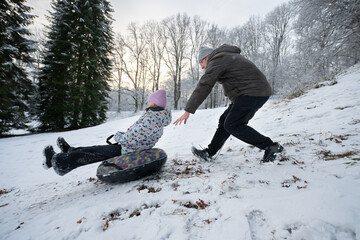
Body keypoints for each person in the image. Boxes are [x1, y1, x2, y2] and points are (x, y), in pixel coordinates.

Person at [174, 44, 283, 163]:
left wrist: (188, 110)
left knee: (233, 124)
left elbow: (205, 85)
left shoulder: (217, 60)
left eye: (201, 63)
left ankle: (272, 147)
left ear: (207, 58)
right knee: (225, 120)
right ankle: (209, 152)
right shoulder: (226, 57)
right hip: (252, 92)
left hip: (252, 92)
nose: (202, 67)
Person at [43, 89, 172, 176]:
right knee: (94, 149)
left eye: (150, 100)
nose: (147, 102)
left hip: (128, 149)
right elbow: (138, 135)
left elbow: (132, 137)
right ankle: (70, 150)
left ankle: (57, 162)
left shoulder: (152, 119)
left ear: (154, 103)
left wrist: (119, 136)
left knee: (93, 153)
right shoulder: (155, 117)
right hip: (130, 146)